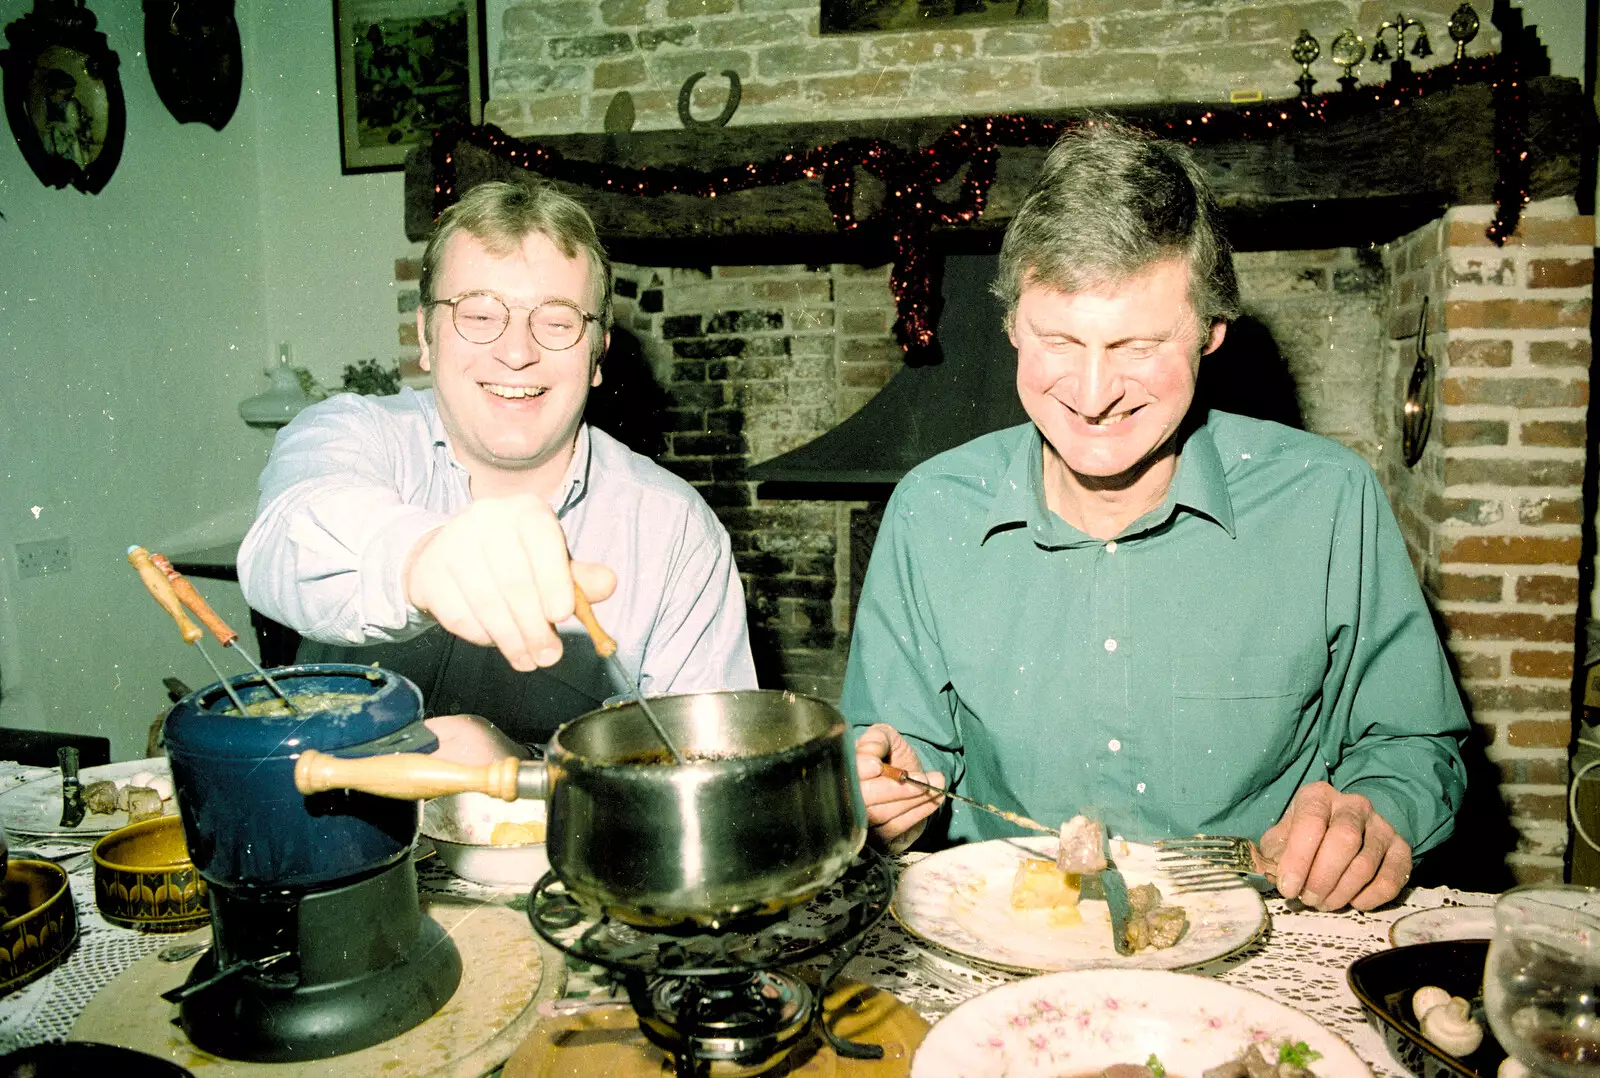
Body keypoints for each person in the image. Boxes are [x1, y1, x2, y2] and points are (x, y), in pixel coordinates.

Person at [842, 118, 1468, 912]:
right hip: (1004, 932)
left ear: (1210, 334)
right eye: (1059, 341)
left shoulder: (1329, 501)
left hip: (1257, 941)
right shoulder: (928, 512)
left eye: (1138, 346)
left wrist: (1376, 819)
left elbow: (1411, 744)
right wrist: (885, 792)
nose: (1094, 394)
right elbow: (900, 753)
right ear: (1011, 327)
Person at [239, 180, 757, 760]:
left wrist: (521, 774)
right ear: (425, 337)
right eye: (480, 314)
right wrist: (419, 559)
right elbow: (282, 541)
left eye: (558, 323)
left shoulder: (676, 530)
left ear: (596, 356)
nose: (516, 352)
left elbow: (711, 766)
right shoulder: (350, 433)